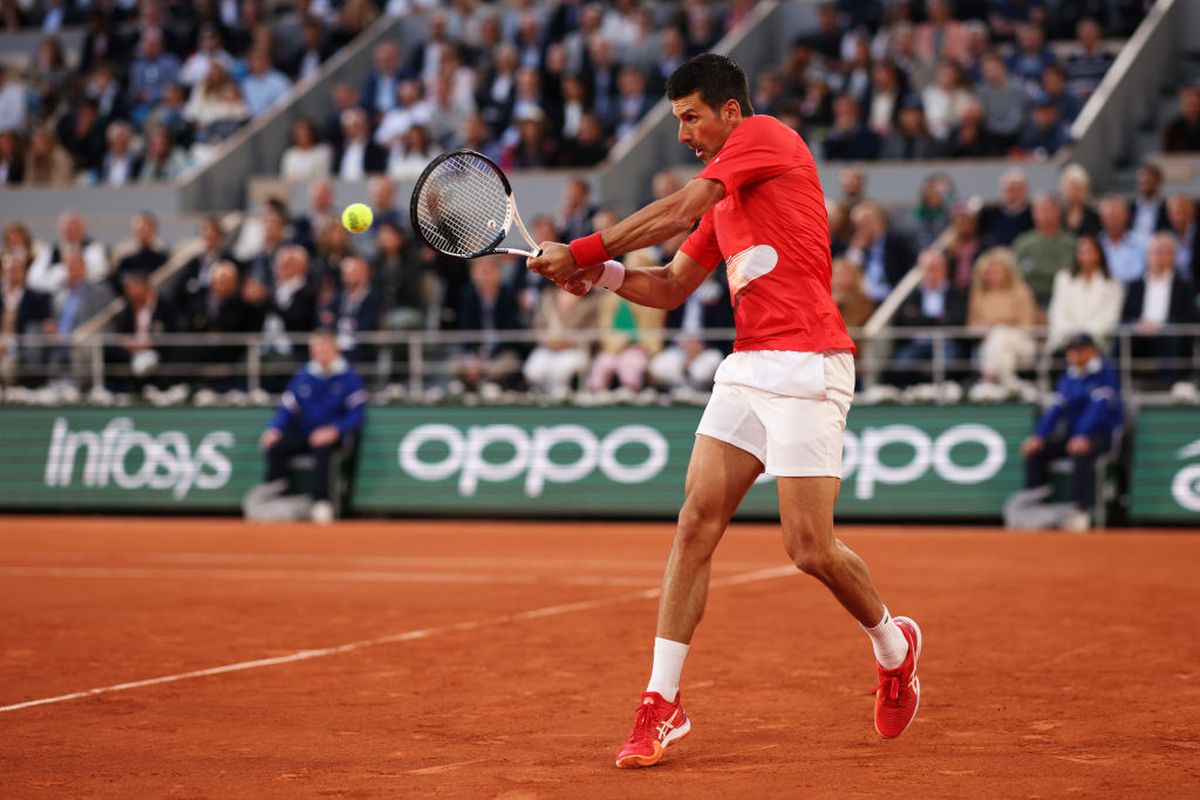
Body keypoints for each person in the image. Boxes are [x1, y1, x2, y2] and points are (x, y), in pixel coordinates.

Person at [525, 53, 922, 768]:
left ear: (730, 112)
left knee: (809, 548)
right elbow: (671, 284)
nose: (683, 134)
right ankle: (661, 702)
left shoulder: (768, 136)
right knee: (695, 522)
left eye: (691, 118)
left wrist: (580, 247)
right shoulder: (724, 199)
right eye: (678, 120)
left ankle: (894, 649)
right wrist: (601, 273)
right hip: (747, 367)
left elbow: (677, 210)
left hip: (810, 361)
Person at [259, 330, 366, 525]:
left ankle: (321, 502)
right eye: (316, 349)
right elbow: (287, 409)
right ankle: (279, 497)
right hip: (305, 433)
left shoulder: (350, 377)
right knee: (276, 446)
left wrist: (334, 429)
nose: (320, 353)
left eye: (325, 349)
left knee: (323, 449)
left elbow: (356, 415)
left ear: (335, 350)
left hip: (334, 437)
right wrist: (274, 429)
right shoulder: (303, 376)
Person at [1020, 332, 1122, 532]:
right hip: (1073, 436)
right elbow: (1055, 409)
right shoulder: (1068, 376)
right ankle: (1035, 508)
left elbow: (1098, 410)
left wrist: (1082, 435)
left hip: (1101, 437)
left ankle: (1080, 511)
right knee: (1036, 452)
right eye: (1070, 350)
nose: (1072, 354)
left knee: (1080, 452)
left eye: (1078, 350)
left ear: (1092, 351)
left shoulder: (1106, 374)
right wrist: (1039, 436)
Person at [1120, 233, 1198, 387]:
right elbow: (1125, 316)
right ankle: (1118, 385)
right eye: (1156, 252)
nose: (1159, 257)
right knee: (1124, 330)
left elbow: (1191, 319)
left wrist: (1161, 326)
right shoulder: (1135, 286)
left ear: (1173, 257)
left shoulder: (1185, 287)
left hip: (1171, 336)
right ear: (1148, 255)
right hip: (1140, 333)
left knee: (1170, 330)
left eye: (1164, 252)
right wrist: (1139, 324)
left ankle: (1166, 385)